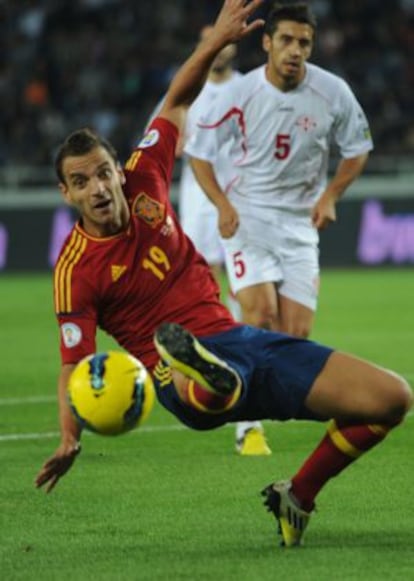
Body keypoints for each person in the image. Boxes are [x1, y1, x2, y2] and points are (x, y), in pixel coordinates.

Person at [35, 0, 412, 549]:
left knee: (391, 399)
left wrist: (215, 41)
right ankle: (213, 379)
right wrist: (70, 436)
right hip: (171, 377)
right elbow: (75, 367)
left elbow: (177, 99)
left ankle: (297, 495)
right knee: (202, 386)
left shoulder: (147, 176)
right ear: (66, 194)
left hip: (241, 340)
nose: (97, 188)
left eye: (102, 173)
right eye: (81, 181)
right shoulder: (74, 270)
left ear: (118, 169)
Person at [186, 2, 373, 339]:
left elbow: (358, 148)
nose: (295, 51)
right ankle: (246, 386)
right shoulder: (237, 94)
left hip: (300, 223)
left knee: (296, 336)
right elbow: (199, 154)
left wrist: (331, 195)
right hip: (248, 216)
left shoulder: (333, 92)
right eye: (286, 40)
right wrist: (222, 204)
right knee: (261, 317)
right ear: (267, 43)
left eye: (304, 43)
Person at [145, 26, 270, 455]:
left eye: (226, 40)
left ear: (236, 45)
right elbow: (159, 143)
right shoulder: (187, 90)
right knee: (200, 289)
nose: (221, 47)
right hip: (195, 204)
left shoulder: (249, 87)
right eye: (211, 40)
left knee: (244, 288)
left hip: (238, 200)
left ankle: (242, 393)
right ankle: (204, 372)